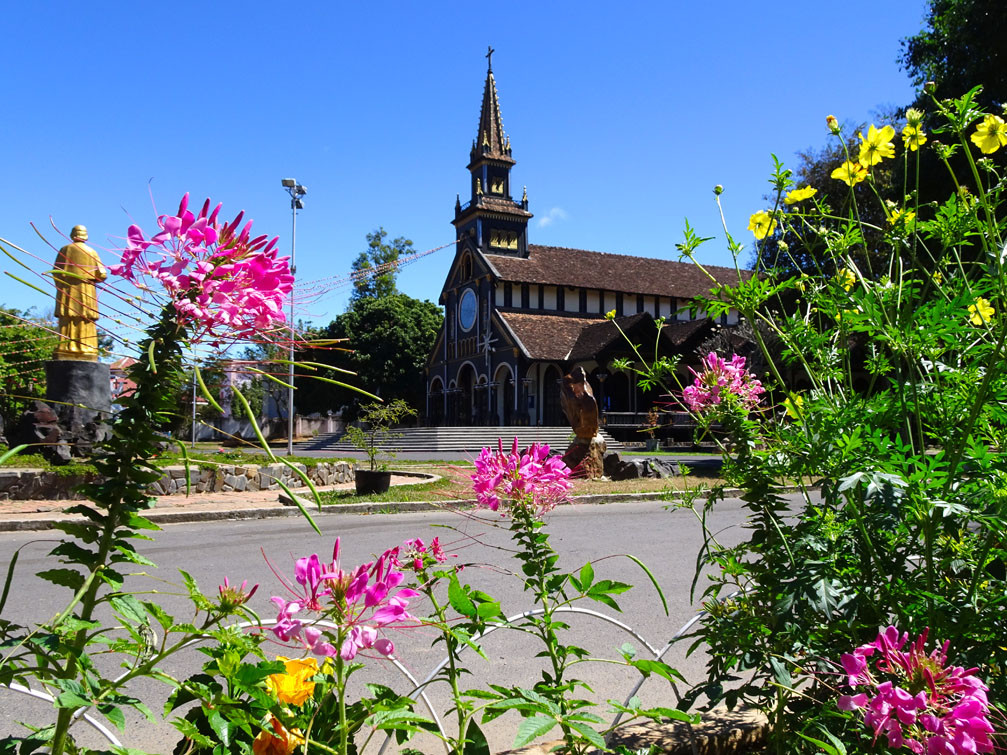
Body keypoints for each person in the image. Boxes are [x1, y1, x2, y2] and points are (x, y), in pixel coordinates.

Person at [53, 225, 107, 360]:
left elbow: (55, 272)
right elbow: (102, 274)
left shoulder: (65, 250)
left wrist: (62, 284)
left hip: (68, 288)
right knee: (85, 317)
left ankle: (65, 347)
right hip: (86, 288)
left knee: (68, 316)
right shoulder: (91, 251)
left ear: (73, 234)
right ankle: (87, 347)